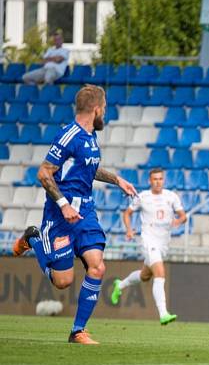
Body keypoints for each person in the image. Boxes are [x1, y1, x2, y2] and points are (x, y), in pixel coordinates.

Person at [11, 85, 138, 344]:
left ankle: (77, 331)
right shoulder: (69, 136)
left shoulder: (91, 137)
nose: (105, 113)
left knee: (97, 266)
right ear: (96, 109)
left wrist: (117, 180)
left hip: (85, 212)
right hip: (60, 215)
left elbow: (89, 168)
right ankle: (35, 238)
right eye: (104, 108)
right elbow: (44, 173)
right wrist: (63, 205)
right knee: (63, 281)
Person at [110, 168, 187, 324]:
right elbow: (127, 213)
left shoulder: (171, 197)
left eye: (160, 179)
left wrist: (178, 221)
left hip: (163, 243)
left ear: (163, 180)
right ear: (149, 181)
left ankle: (120, 284)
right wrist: (129, 230)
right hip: (148, 241)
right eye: (155, 179)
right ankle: (163, 313)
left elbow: (183, 216)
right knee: (160, 272)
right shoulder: (143, 197)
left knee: (145, 276)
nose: (158, 182)